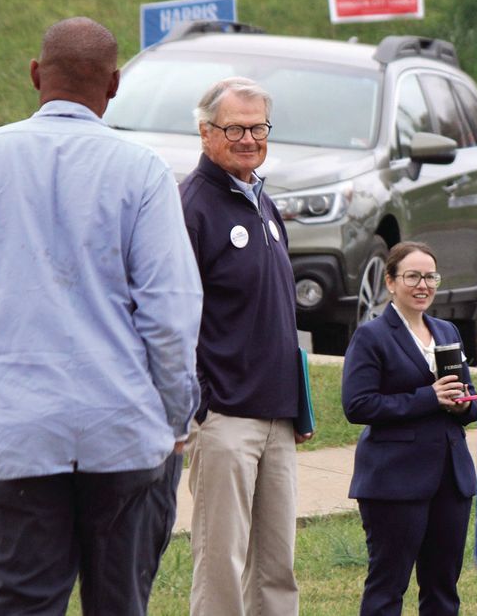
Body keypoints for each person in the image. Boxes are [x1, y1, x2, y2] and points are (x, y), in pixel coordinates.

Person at [0, 17, 202, 615]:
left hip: (18, 436)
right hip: (126, 437)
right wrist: (175, 421)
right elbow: (170, 316)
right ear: (115, 85)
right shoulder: (144, 172)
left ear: (36, 75)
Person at [181, 76, 310, 616]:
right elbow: (172, 315)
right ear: (207, 132)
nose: (249, 138)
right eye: (236, 128)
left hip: (277, 417)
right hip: (226, 417)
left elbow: (278, 316)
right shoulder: (192, 206)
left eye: (259, 128)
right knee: (222, 567)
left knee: (277, 570)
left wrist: (298, 405)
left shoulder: (262, 202)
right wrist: (202, 401)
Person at [342, 241, 477, 616]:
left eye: (430, 276)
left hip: (451, 480)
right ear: (390, 282)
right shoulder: (372, 336)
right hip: (395, 480)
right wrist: (428, 398)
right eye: (413, 276)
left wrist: (463, 402)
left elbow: (466, 401)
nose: (423, 285)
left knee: (443, 588)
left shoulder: (447, 331)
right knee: (388, 586)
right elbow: (358, 404)